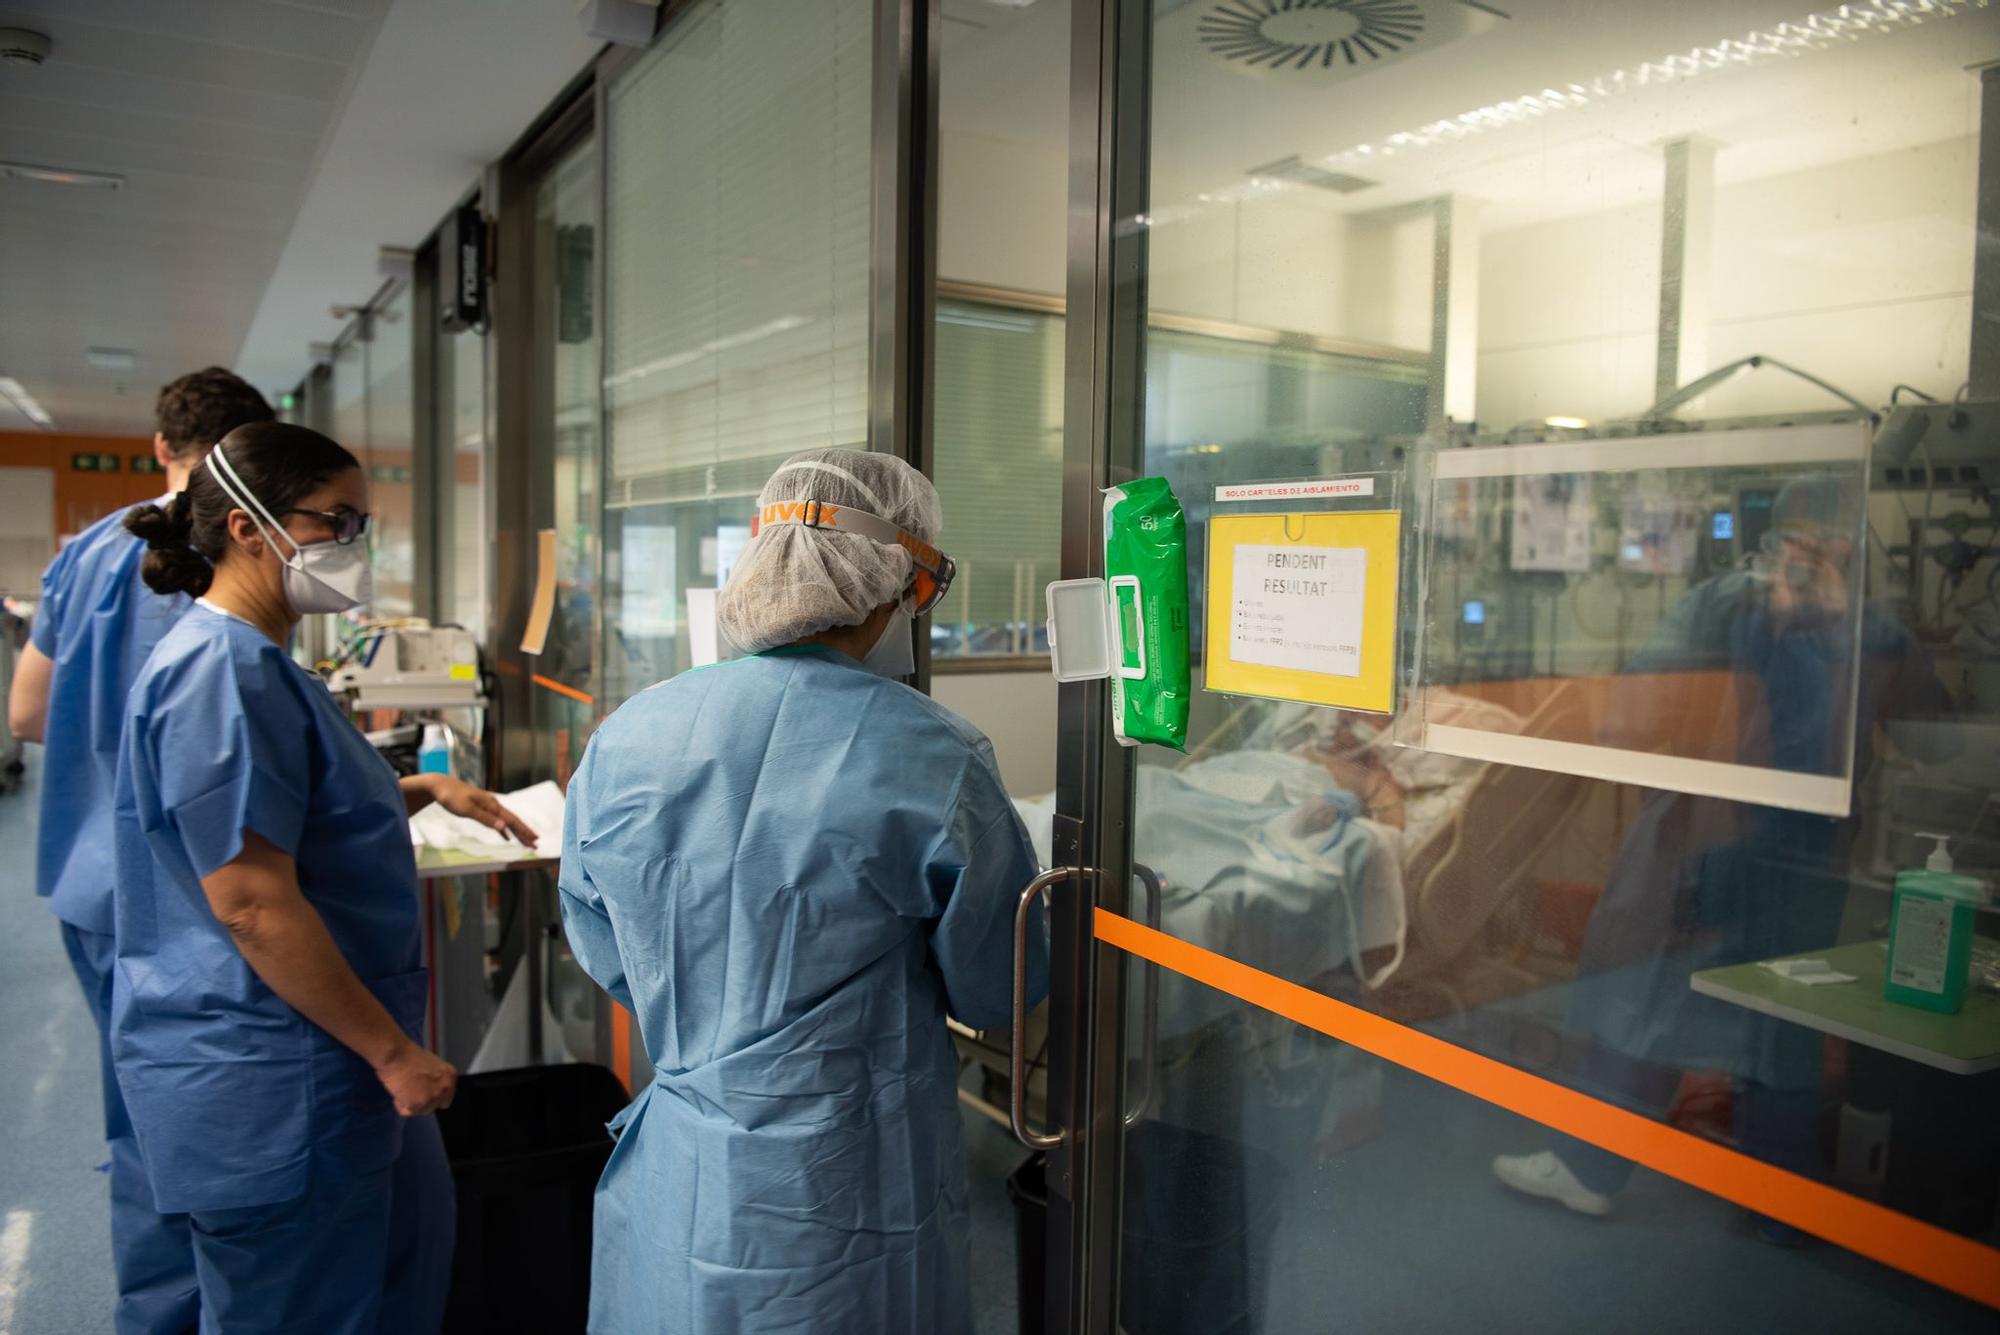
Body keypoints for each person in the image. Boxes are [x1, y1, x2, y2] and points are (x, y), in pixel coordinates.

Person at [559, 447, 1047, 1334]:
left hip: (687, 1160)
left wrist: (712, 1007)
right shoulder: (935, 754)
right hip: (856, 1183)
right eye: (924, 587)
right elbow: (996, 983)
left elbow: (602, 939)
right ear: (892, 578)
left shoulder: (628, 736)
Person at [113, 421, 536, 1334]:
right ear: (247, 526)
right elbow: (253, 904)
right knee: (302, 1309)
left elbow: (289, 812)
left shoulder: (260, 664)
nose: (353, 545)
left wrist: (423, 788)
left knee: (375, 1288)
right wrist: (393, 1052)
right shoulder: (218, 674)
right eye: (335, 521)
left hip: (312, 1061)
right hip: (273, 1076)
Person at [1492, 474, 1951, 1236]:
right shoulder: (1726, 606)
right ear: (1766, 543)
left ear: (1847, 551)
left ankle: (1748, 1198)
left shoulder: (1867, 630)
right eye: (1791, 543)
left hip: (1782, 858)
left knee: (1760, 1021)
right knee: (1676, 1005)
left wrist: (1847, 641)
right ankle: (1611, 1168)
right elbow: (1634, 718)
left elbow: (1935, 737)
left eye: (1822, 547)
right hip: (1727, 847)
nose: (1803, 562)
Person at [6, 366, 273, 1335]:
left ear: (162, 445)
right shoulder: (216, 560)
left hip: (93, 885)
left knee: (143, 1113)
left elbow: (28, 712)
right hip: (188, 893)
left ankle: (157, 1315)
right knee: (226, 1131)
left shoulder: (87, 551)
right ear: (260, 451)